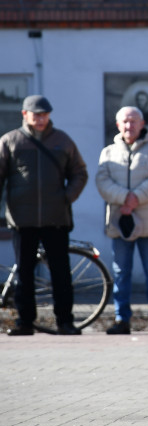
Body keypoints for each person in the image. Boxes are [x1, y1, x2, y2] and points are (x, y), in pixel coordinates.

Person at [0, 95, 88, 335]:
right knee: (24, 273)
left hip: (56, 219)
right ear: (24, 114)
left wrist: (66, 197)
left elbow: (80, 172)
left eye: (44, 114)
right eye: (35, 114)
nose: (40, 119)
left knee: (60, 273)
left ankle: (65, 322)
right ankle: (24, 323)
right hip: (22, 219)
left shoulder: (62, 140)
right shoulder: (10, 141)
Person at [96, 106, 148, 335]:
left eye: (133, 121)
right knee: (120, 273)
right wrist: (123, 198)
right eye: (125, 122)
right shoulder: (108, 152)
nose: (129, 126)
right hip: (120, 223)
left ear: (142, 123)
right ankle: (121, 319)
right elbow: (102, 181)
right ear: (118, 125)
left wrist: (134, 198)